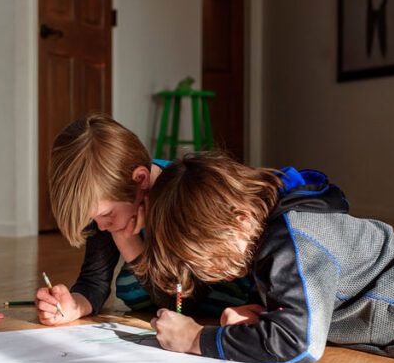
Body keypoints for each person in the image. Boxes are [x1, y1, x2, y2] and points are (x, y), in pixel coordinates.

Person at [138, 152, 394, 363]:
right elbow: (301, 314)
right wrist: (263, 319)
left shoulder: (292, 237)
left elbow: (299, 343)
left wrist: (196, 340)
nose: (206, 272)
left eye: (205, 257)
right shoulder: (268, 245)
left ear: (237, 218)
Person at [35, 114, 252, 325]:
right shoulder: (109, 200)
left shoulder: (183, 195)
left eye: (106, 215)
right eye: (92, 219)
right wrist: (74, 305)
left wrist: (128, 243)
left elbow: (183, 304)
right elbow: (94, 280)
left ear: (141, 180)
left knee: (133, 284)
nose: (102, 226)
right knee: (131, 287)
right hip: (181, 301)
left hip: (233, 295)